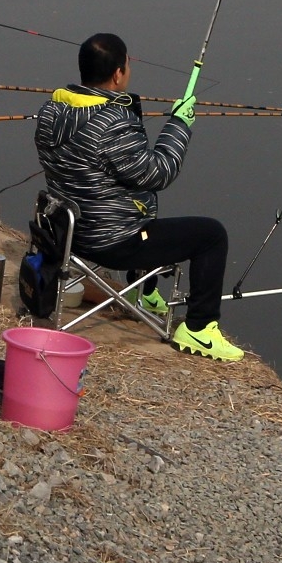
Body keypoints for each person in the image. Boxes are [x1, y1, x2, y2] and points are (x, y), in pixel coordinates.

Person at [32, 33, 239, 361]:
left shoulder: (52, 110)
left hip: (66, 233)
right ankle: (200, 329)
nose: (129, 70)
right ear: (118, 74)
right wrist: (179, 124)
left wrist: (130, 110)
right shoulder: (113, 123)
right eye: (127, 65)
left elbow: (120, 166)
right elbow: (158, 173)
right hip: (111, 242)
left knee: (140, 199)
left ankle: (147, 291)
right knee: (212, 235)